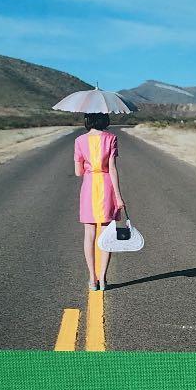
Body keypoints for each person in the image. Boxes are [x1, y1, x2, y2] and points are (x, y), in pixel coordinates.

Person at [73, 113, 125, 291]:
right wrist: (118, 197)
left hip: (89, 187)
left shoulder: (79, 140)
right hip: (106, 188)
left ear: (87, 120)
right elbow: (112, 169)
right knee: (106, 235)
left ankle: (92, 278)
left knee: (89, 235)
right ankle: (103, 278)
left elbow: (78, 172)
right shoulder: (111, 138)